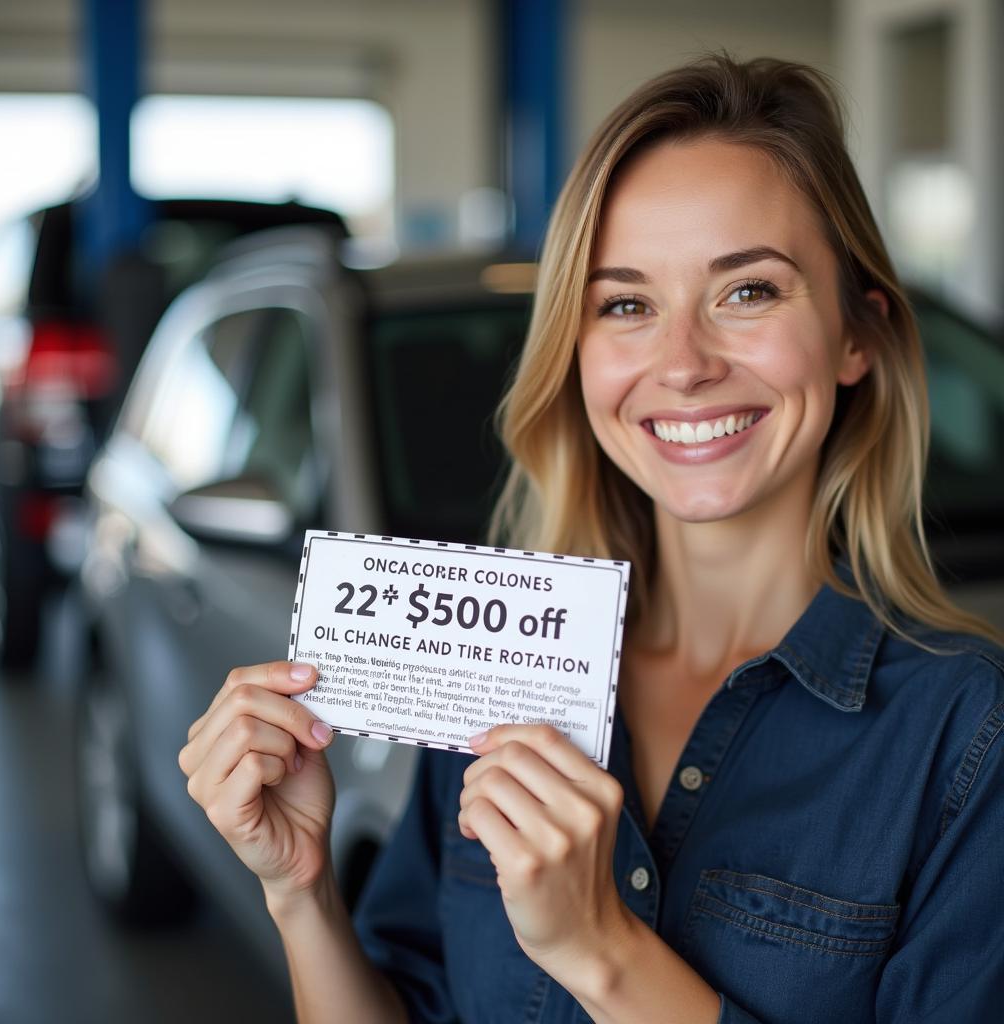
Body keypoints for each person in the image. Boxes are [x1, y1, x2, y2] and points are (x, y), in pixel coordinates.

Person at [178, 53, 1004, 1023]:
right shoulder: (496, 680)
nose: (684, 364)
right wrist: (301, 891)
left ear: (856, 334)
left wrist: (602, 953)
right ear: (576, 358)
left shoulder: (964, 737)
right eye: (625, 305)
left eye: (748, 292)